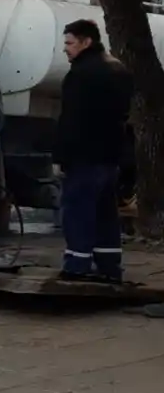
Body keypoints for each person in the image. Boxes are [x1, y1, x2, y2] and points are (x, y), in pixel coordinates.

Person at [54, 19, 133, 281]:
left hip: (83, 157)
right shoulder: (118, 69)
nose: (65, 49)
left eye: (69, 43)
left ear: (86, 42)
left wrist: (60, 158)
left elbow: (71, 120)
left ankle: (77, 265)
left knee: (77, 211)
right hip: (110, 157)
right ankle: (110, 265)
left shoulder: (80, 74)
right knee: (105, 213)